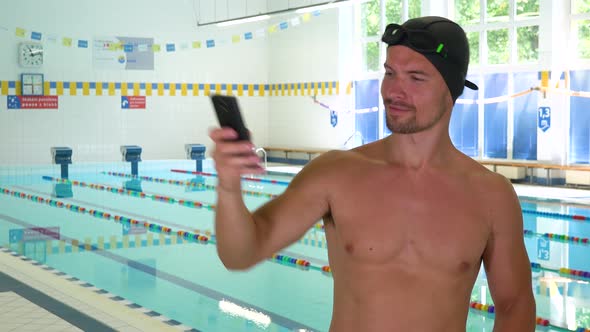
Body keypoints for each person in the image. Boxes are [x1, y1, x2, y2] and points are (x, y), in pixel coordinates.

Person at [209, 16, 536, 332]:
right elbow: (241, 254)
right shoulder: (336, 173)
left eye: (415, 78)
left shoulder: (490, 195)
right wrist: (228, 187)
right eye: (390, 73)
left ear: (451, 91)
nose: (394, 90)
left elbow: (515, 304)